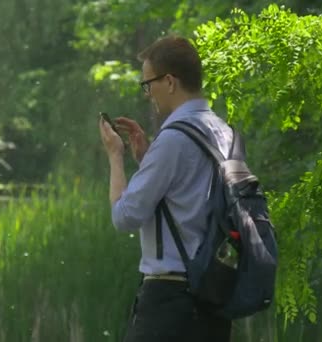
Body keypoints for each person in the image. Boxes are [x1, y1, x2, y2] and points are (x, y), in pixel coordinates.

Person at [98, 35, 234, 341]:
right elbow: (191, 196)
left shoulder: (173, 139)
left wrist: (116, 157)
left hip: (169, 300)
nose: (148, 94)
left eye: (149, 84)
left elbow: (124, 215)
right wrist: (147, 158)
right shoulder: (224, 132)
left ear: (170, 82)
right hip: (213, 297)